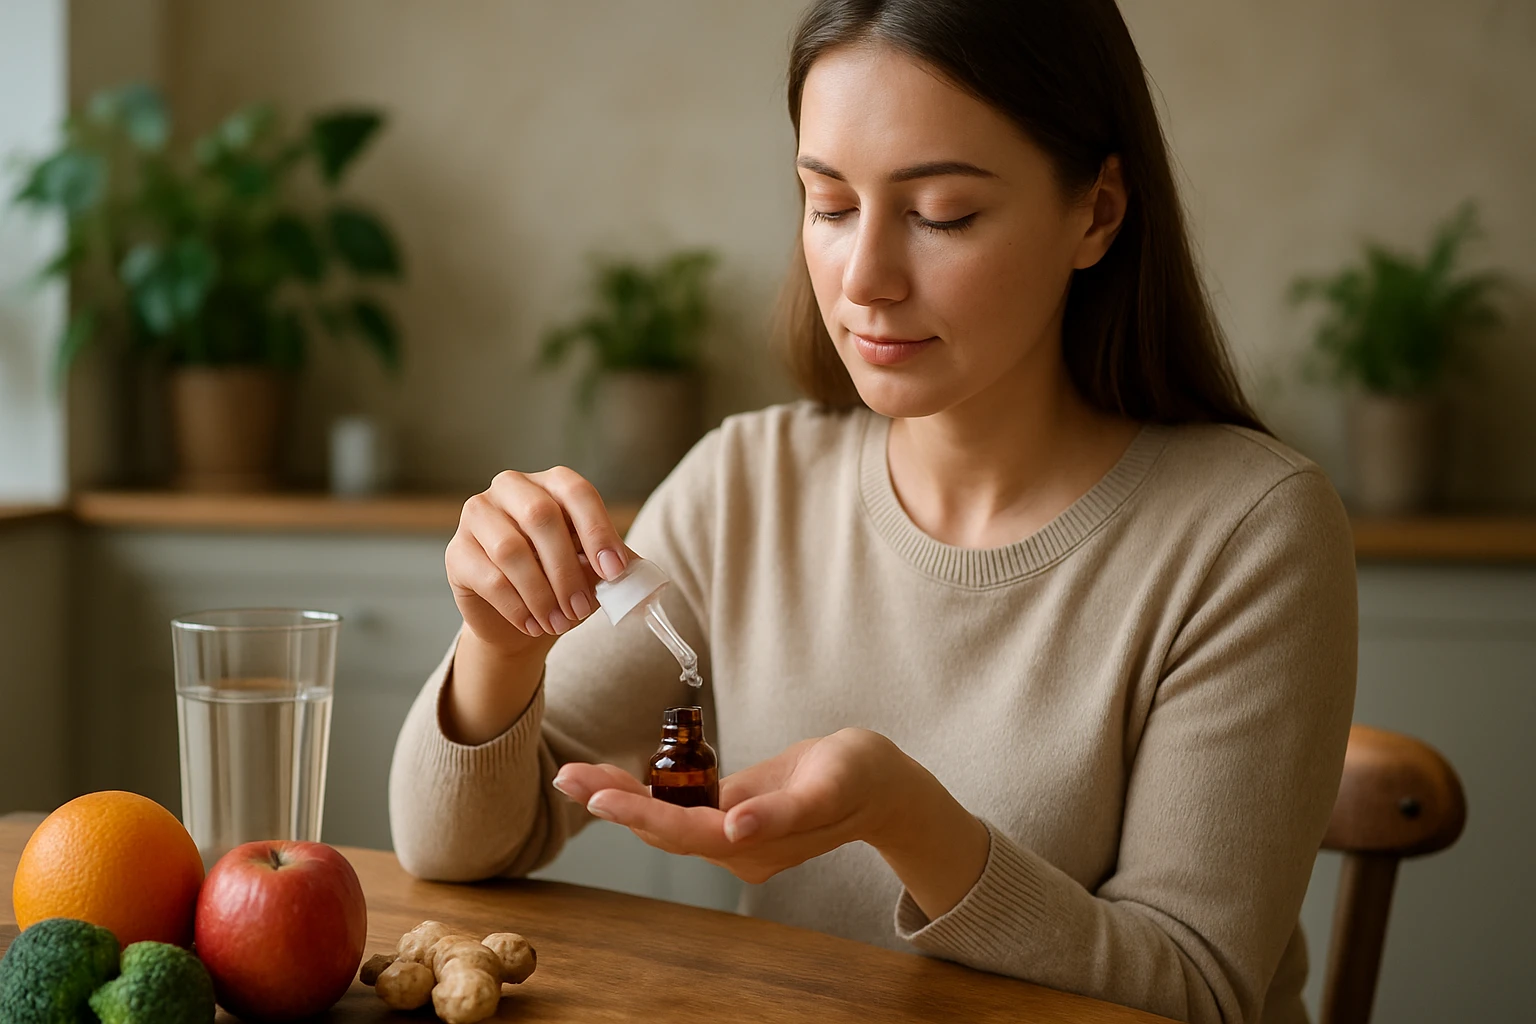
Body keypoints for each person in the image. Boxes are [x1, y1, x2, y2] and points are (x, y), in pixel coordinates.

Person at [389, 2, 1357, 1022]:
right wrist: (499, 649)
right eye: (828, 203)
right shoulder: (749, 482)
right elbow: (453, 849)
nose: (864, 280)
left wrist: (910, 821)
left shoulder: (1252, 533)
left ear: (1098, 212)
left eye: (941, 212)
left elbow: (1199, 992)